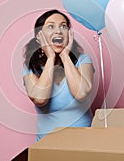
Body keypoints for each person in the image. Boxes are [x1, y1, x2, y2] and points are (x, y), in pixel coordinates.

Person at [22, 9, 95, 141]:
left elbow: (81, 93)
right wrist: (50, 58)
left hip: (84, 142)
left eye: (63, 26)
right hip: (47, 145)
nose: (58, 31)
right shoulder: (30, 67)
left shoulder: (83, 60)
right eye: (51, 26)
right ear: (39, 37)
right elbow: (39, 99)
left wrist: (65, 55)